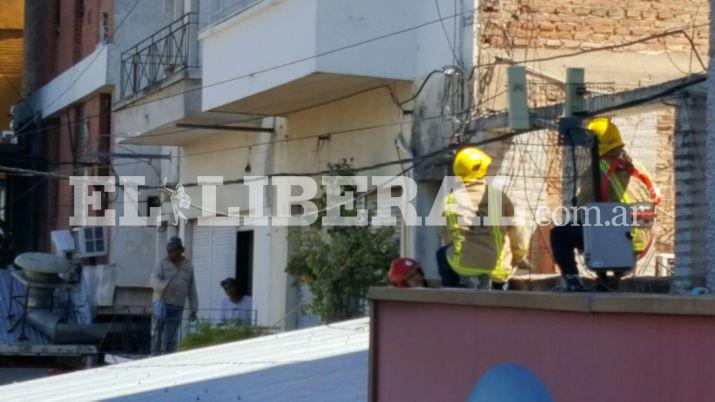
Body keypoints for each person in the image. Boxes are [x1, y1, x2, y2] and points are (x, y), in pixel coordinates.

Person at [550, 117, 660, 291]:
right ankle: (610, 280)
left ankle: (573, 281)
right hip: (642, 239)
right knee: (602, 221)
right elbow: (655, 197)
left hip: (617, 239)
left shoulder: (596, 169)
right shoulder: (637, 167)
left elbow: (582, 209)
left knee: (560, 234)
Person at [441, 147, 530, 290]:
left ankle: (450, 294)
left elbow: (448, 237)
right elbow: (518, 230)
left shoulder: (450, 200)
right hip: (498, 270)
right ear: (481, 170)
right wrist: (519, 257)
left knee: (442, 254)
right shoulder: (498, 197)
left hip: (464, 267)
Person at [150, 236, 199, 355]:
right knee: (158, 330)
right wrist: (162, 286)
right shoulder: (162, 263)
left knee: (171, 336)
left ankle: (168, 357)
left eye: (173, 251)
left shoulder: (188, 265)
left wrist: (194, 308)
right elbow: (153, 279)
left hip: (177, 305)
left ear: (180, 250)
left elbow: (192, 288)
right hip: (161, 302)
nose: (170, 253)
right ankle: (154, 356)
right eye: (169, 250)